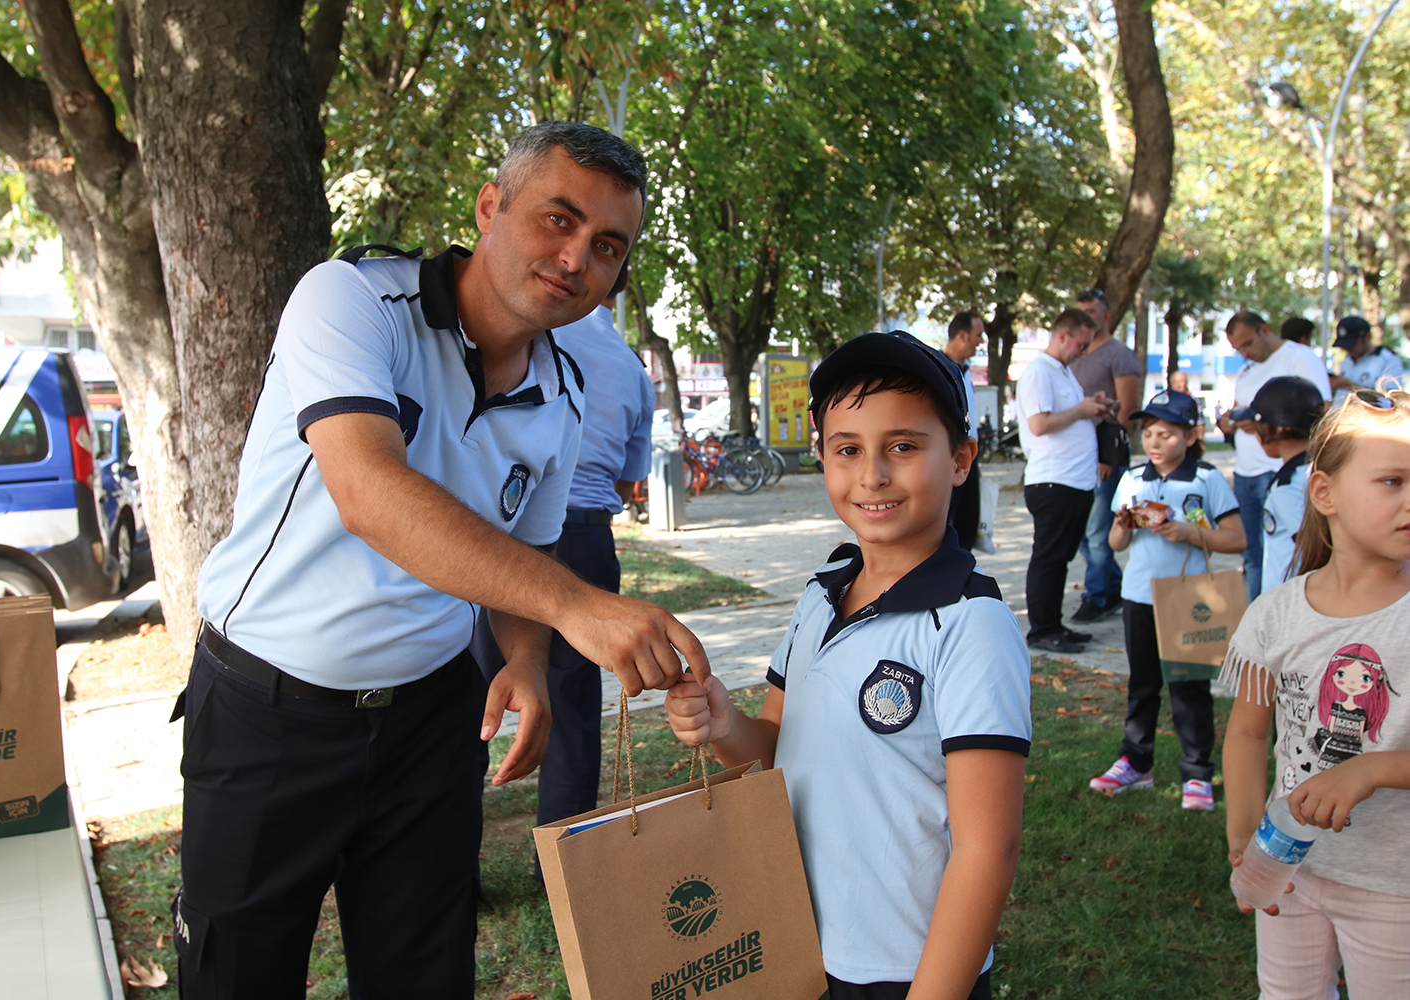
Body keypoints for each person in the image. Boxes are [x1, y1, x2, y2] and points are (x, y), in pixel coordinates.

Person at [176, 122, 711, 999]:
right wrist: (579, 608)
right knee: (236, 974)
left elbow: (526, 549)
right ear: (490, 208)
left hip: (432, 721)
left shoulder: (563, 392)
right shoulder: (349, 300)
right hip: (271, 706)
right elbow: (368, 490)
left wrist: (530, 663)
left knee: (425, 974)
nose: (577, 257)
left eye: (607, 246)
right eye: (559, 220)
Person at [667, 330, 1030, 1000]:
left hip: (902, 972)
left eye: (903, 446)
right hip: (791, 941)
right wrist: (724, 724)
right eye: (848, 450)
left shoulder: (970, 624)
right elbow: (769, 749)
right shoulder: (819, 594)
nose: (873, 475)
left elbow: (988, 850)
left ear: (961, 459)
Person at [1220, 388, 1410, 1000]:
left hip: (1395, 884)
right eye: (1393, 480)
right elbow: (1249, 734)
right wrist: (1244, 838)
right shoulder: (1275, 613)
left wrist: (1373, 769)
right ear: (1324, 493)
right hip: (1291, 869)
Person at [477, 282, 656, 837]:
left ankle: (456, 866)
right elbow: (629, 481)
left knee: (469, 699)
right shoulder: (632, 371)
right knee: (574, 706)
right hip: (586, 540)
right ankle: (563, 861)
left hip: (496, 538)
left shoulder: (525, 335)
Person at [1089, 390, 1244, 811]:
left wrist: (1193, 533)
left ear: (1192, 435)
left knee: (1189, 687)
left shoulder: (1206, 479)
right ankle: (1136, 762)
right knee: (1142, 685)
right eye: (1150, 433)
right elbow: (1116, 542)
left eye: (1168, 434)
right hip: (1140, 595)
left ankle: (1197, 773)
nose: (1155, 442)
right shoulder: (1133, 479)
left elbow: (1236, 539)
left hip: (1190, 598)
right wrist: (1123, 525)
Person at [1017, 308, 1113, 653]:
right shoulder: (1040, 372)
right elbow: (1039, 424)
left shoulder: (1063, 372)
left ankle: (1053, 623)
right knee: (1049, 557)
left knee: (1060, 558)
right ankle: (1042, 628)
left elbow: (1067, 416)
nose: (1084, 352)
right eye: (1081, 345)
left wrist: (1091, 406)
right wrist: (1082, 411)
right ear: (1062, 336)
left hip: (1074, 481)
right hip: (1053, 480)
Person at [1217, 312, 1331, 601]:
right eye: (1238, 349)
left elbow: (1321, 410)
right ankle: (1259, 614)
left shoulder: (1300, 358)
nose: (1245, 354)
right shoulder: (1246, 370)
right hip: (1247, 471)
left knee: (1292, 546)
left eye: (1248, 344)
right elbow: (1239, 407)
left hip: (1281, 468)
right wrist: (1231, 421)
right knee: (1256, 554)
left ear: (1265, 330)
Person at [1069, 289, 1144, 624]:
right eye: (1081, 310)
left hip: (1106, 454)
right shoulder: (1074, 354)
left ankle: (1096, 595)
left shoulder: (1119, 355)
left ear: (1107, 315)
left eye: (1093, 310)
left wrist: (1109, 456)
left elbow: (1127, 411)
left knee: (1098, 531)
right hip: (1078, 457)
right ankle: (1112, 584)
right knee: (1082, 532)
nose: (1087, 315)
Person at [1235, 376, 1324, 595]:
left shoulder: (1289, 486)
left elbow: (1317, 550)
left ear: (1278, 430)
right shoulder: (1319, 470)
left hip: (1291, 601)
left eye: (1257, 426)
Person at [943, 310, 985, 551]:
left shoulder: (966, 370)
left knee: (969, 523)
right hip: (950, 455)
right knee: (944, 524)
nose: (981, 342)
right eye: (978, 335)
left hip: (970, 457)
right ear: (962, 335)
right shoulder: (940, 368)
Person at [1329, 315, 1404, 403]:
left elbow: (1391, 400)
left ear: (1367, 336)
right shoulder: (1347, 360)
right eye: (1345, 345)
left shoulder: (1387, 359)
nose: (1348, 348)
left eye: (1352, 344)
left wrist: (1349, 386)